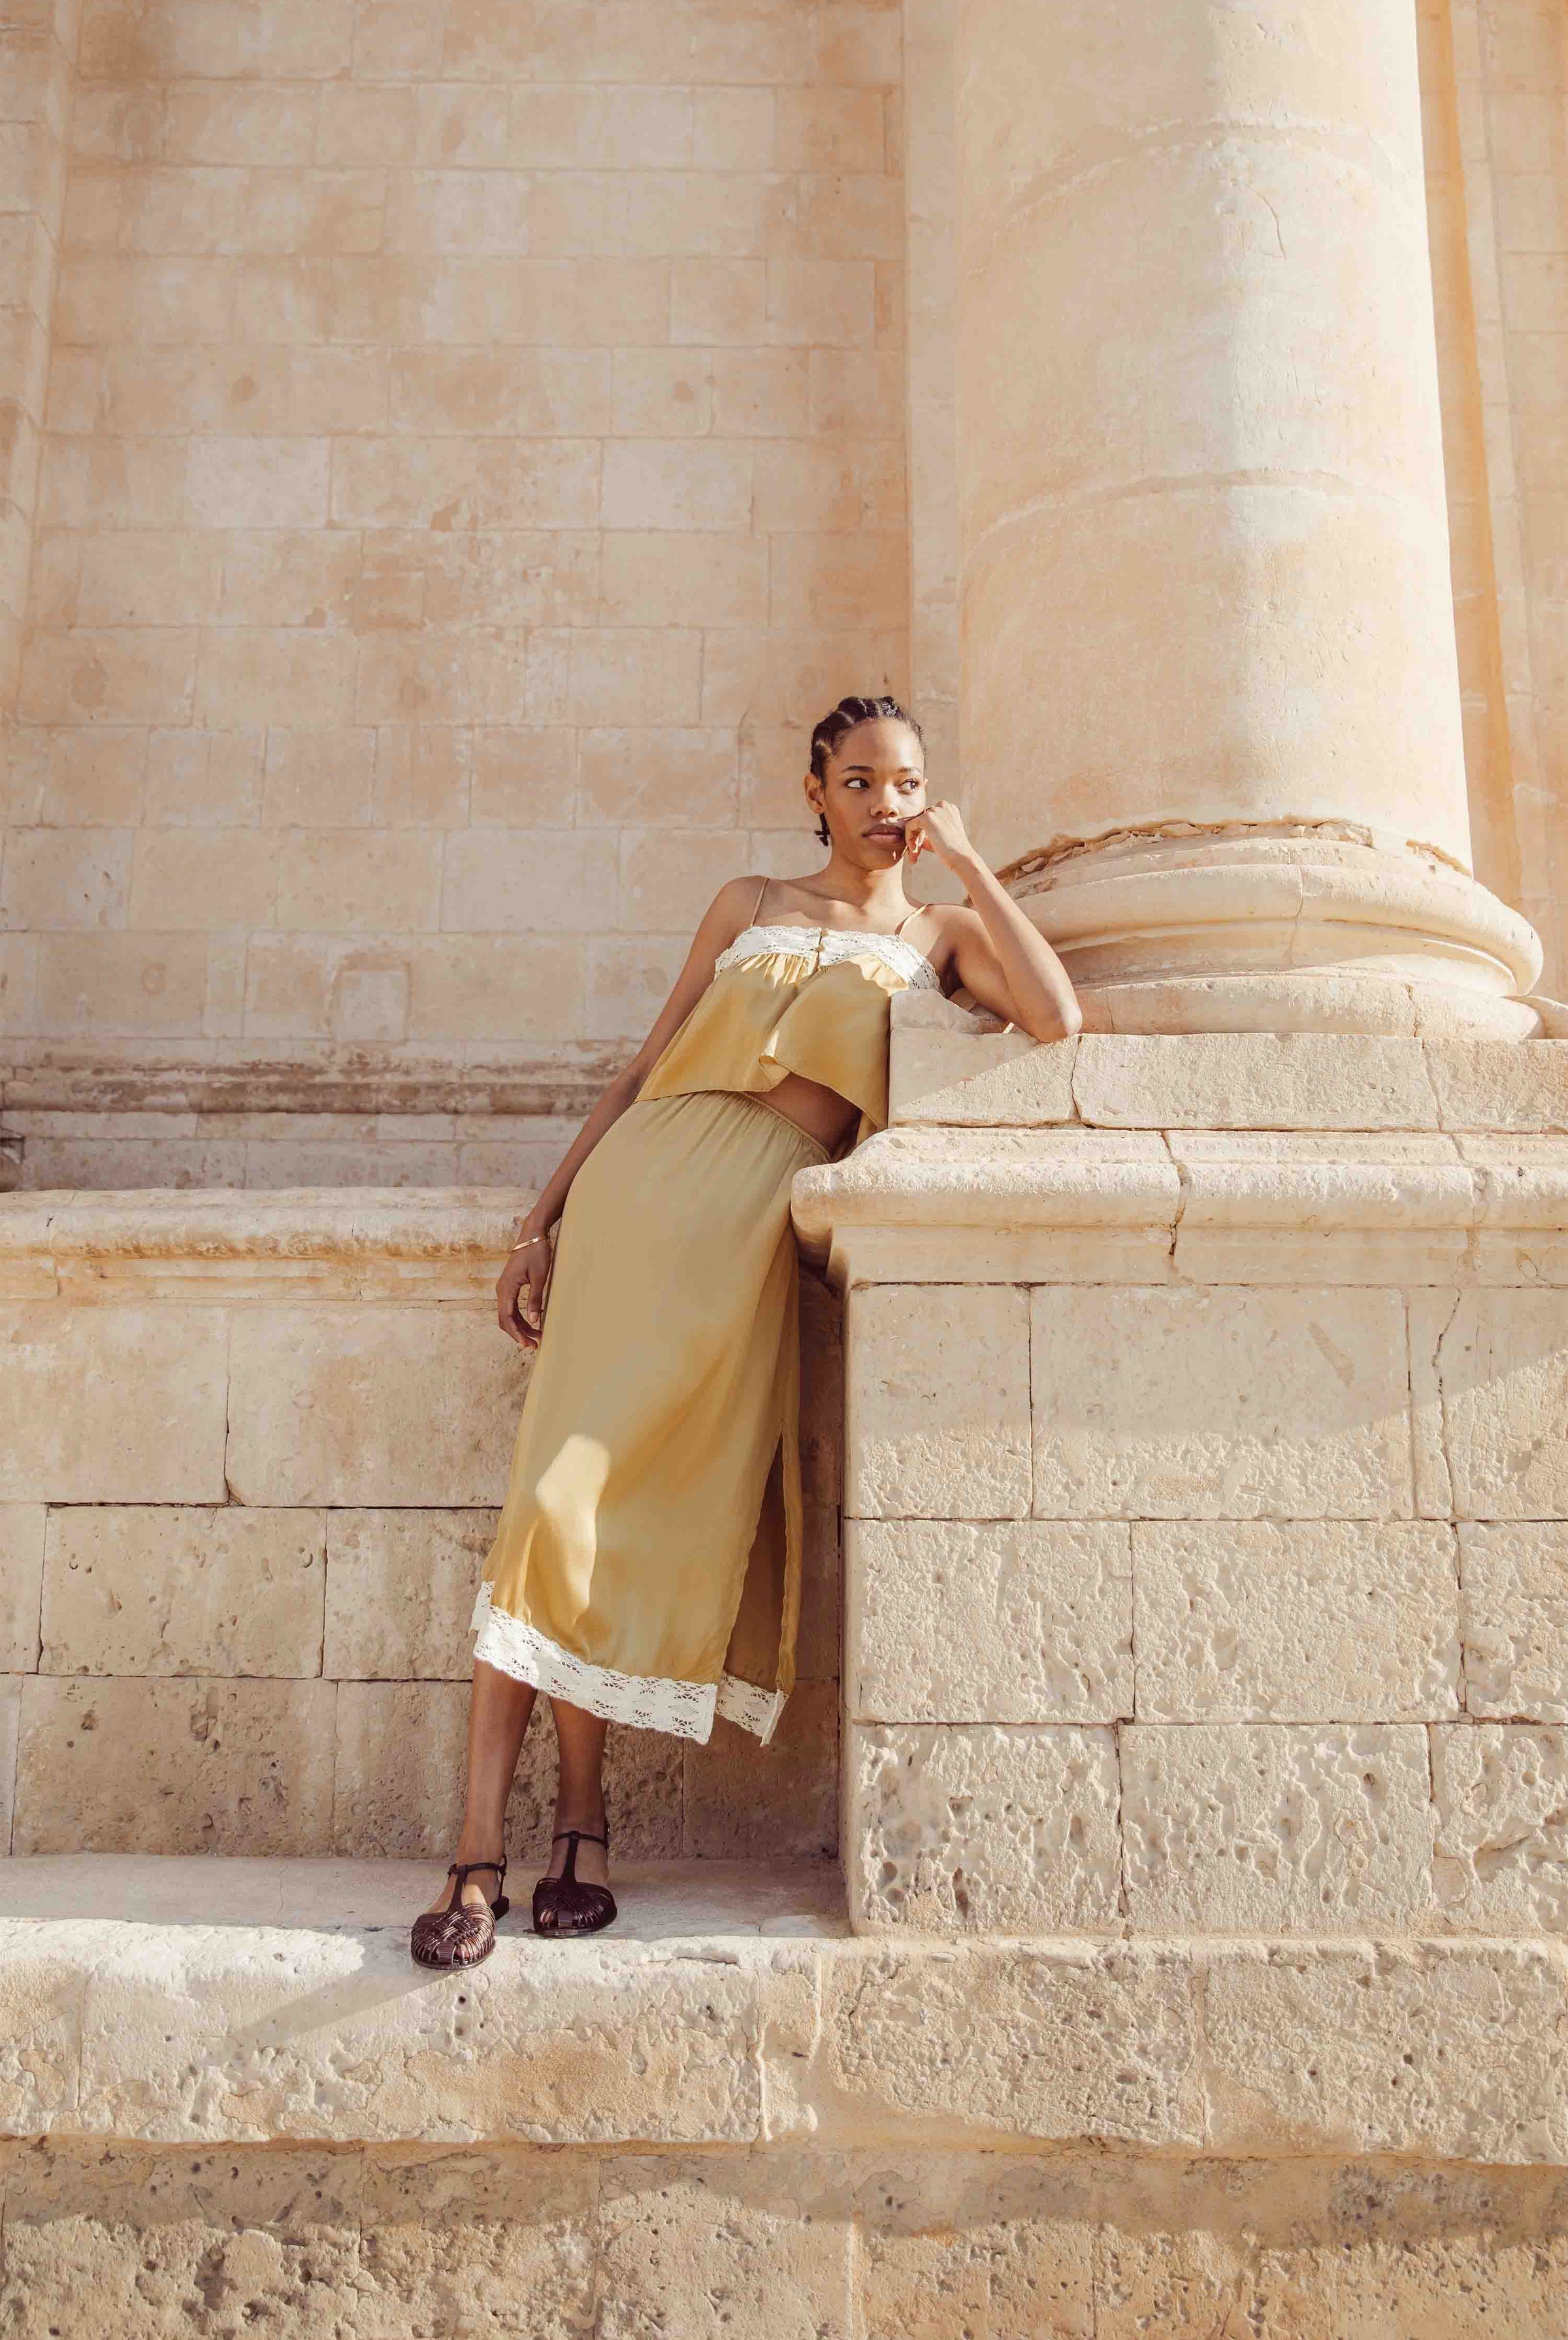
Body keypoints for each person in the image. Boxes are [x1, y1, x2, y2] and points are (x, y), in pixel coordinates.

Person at [410, 695, 1081, 1966]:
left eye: (907, 783)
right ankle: (481, 1856)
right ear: (816, 792)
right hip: (633, 1204)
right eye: (861, 781)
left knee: (623, 1514)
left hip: (746, 1229)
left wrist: (974, 862)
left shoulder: (937, 933)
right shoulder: (749, 902)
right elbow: (641, 1068)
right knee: (550, 1509)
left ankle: (583, 1825)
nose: (887, 803)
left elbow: (1059, 1019)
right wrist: (539, 1223)